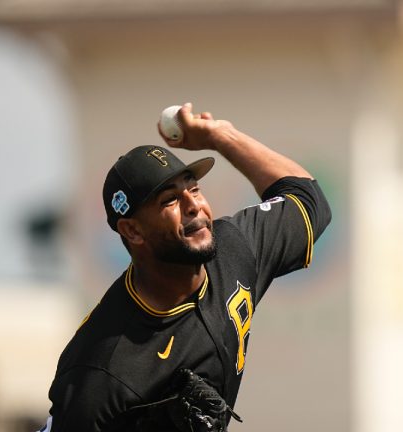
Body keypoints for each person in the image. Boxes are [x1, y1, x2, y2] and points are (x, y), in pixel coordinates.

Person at [42, 103, 332, 431]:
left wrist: (222, 137)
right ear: (132, 230)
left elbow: (307, 200)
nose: (194, 205)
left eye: (193, 188)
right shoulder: (102, 369)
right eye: (170, 199)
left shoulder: (235, 247)